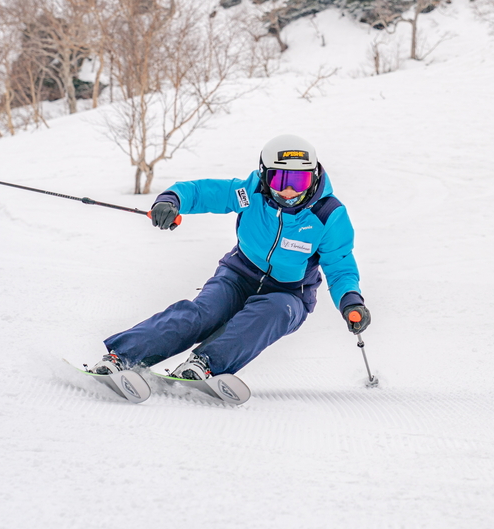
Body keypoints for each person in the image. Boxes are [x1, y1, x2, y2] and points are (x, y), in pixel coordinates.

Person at [87, 133, 370, 380]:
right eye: (280, 179)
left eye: (299, 180)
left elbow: (340, 266)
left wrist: (350, 301)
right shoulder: (251, 193)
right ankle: (122, 356)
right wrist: (171, 201)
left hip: (290, 294)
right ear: (264, 175)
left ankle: (204, 364)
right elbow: (204, 193)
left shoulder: (327, 215)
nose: (289, 190)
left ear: (315, 176)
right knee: (203, 314)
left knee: (268, 314)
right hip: (237, 276)